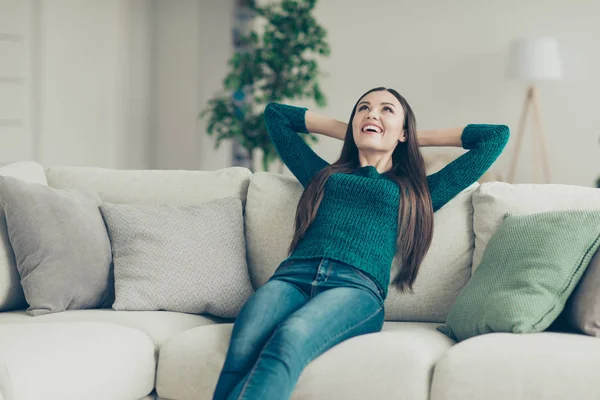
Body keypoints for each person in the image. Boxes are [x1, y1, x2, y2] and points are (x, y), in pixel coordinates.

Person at [212, 87, 510, 400]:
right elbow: (276, 116)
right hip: (291, 277)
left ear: (404, 131)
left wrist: (410, 136)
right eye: (363, 109)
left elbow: (494, 137)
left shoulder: (417, 191)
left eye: (386, 110)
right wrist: (356, 131)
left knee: (290, 337)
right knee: (242, 347)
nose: (372, 113)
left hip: (355, 290)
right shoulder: (323, 175)